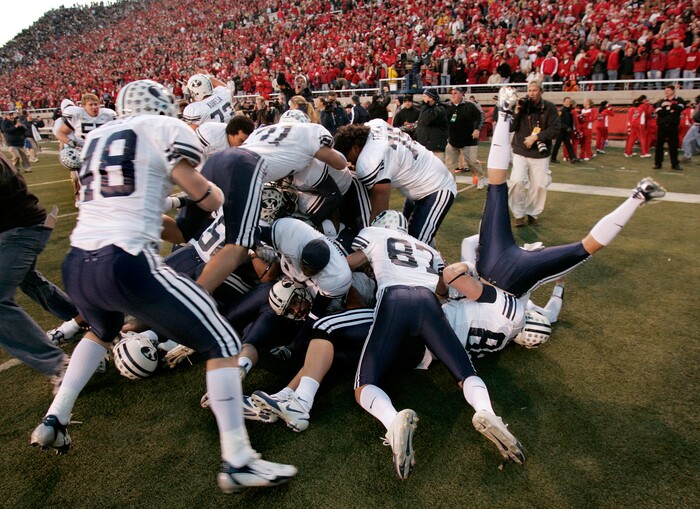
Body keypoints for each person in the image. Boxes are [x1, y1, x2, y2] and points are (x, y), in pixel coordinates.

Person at [29, 80, 297, 492]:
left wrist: (165, 206)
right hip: (126, 262)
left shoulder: (98, 135)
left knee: (100, 333)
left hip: (78, 260)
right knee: (224, 342)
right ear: (163, 106)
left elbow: (119, 204)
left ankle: (55, 418)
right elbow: (202, 196)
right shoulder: (161, 128)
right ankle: (239, 460)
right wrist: (213, 196)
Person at [344, 210, 525, 479]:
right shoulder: (427, 248)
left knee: (364, 384)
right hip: (428, 303)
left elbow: (347, 265)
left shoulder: (374, 234)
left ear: (380, 225)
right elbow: (441, 291)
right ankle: (486, 412)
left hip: (394, 299)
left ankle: (393, 421)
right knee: (465, 373)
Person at [474, 86, 666, 300]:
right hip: (493, 269)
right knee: (496, 186)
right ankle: (504, 114)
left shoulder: (510, 320)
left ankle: (639, 196)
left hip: (513, 278)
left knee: (585, 248)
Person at [0, 151, 70, 391]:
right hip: (21, 227)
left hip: (21, 230)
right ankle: (83, 317)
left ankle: (59, 365)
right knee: (29, 280)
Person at [333, 119, 456, 244]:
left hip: (436, 187)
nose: (350, 163)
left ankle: (437, 261)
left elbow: (379, 211)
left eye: (348, 158)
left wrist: (369, 241)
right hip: (421, 179)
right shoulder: (374, 125)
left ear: (355, 148)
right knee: (404, 235)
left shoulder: (369, 161)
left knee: (415, 245)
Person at [508, 80, 560, 227]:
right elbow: (511, 127)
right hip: (520, 149)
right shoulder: (522, 105)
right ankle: (519, 214)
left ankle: (532, 213)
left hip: (540, 153)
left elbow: (555, 129)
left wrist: (536, 137)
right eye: (529, 90)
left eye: (534, 90)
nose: (531, 93)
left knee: (539, 185)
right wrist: (517, 111)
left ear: (541, 91)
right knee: (517, 181)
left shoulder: (549, 107)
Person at [444, 87, 485, 185]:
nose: (453, 95)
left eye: (455, 93)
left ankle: (480, 178)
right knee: (449, 164)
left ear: (462, 94)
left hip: (468, 140)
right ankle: (451, 184)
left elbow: (480, 116)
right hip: (453, 141)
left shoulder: (470, 105)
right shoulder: (448, 107)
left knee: (472, 163)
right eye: (452, 93)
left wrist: (477, 129)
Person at [654, 85, 686, 171]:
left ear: (673, 91)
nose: (666, 92)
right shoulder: (661, 101)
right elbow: (659, 112)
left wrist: (669, 105)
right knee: (659, 146)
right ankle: (658, 163)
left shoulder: (679, 99)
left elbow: (680, 109)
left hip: (673, 127)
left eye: (668, 90)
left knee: (673, 146)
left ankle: (675, 164)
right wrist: (670, 111)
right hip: (662, 126)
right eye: (665, 90)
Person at [415, 88, 448, 162]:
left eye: (424, 96)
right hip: (425, 146)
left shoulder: (440, 109)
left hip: (436, 148)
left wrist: (424, 105)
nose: (422, 99)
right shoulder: (426, 109)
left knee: (437, 171)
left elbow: (427, 119)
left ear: (431, 98)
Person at [551, 97, 578, 165]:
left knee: (568, 145)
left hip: (566, 131)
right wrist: (567, 128)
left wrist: (570, 129)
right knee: (557, 145)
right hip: (561, 131)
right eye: (567, 101)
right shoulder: (562, 110)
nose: (568, 102)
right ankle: (553, 158)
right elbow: (560, 121)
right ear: (564, 102)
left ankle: (573, 158)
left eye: (569, 101)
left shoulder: (569, 110)